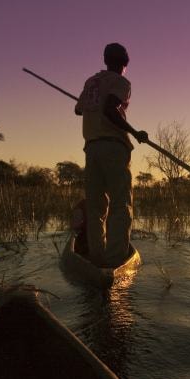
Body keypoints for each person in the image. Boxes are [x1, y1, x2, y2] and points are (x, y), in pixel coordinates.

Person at [74, 43, 148, 267]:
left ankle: (97, 258)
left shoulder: (91, 82)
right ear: (125, 64)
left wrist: (91, 102)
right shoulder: (122, 82)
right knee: (120, 205)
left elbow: (78, 109)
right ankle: (115, 261)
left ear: (106, 60)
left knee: (95, 207)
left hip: (92, 148)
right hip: (114, 147)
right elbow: (109, 109)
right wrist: (135, 132)